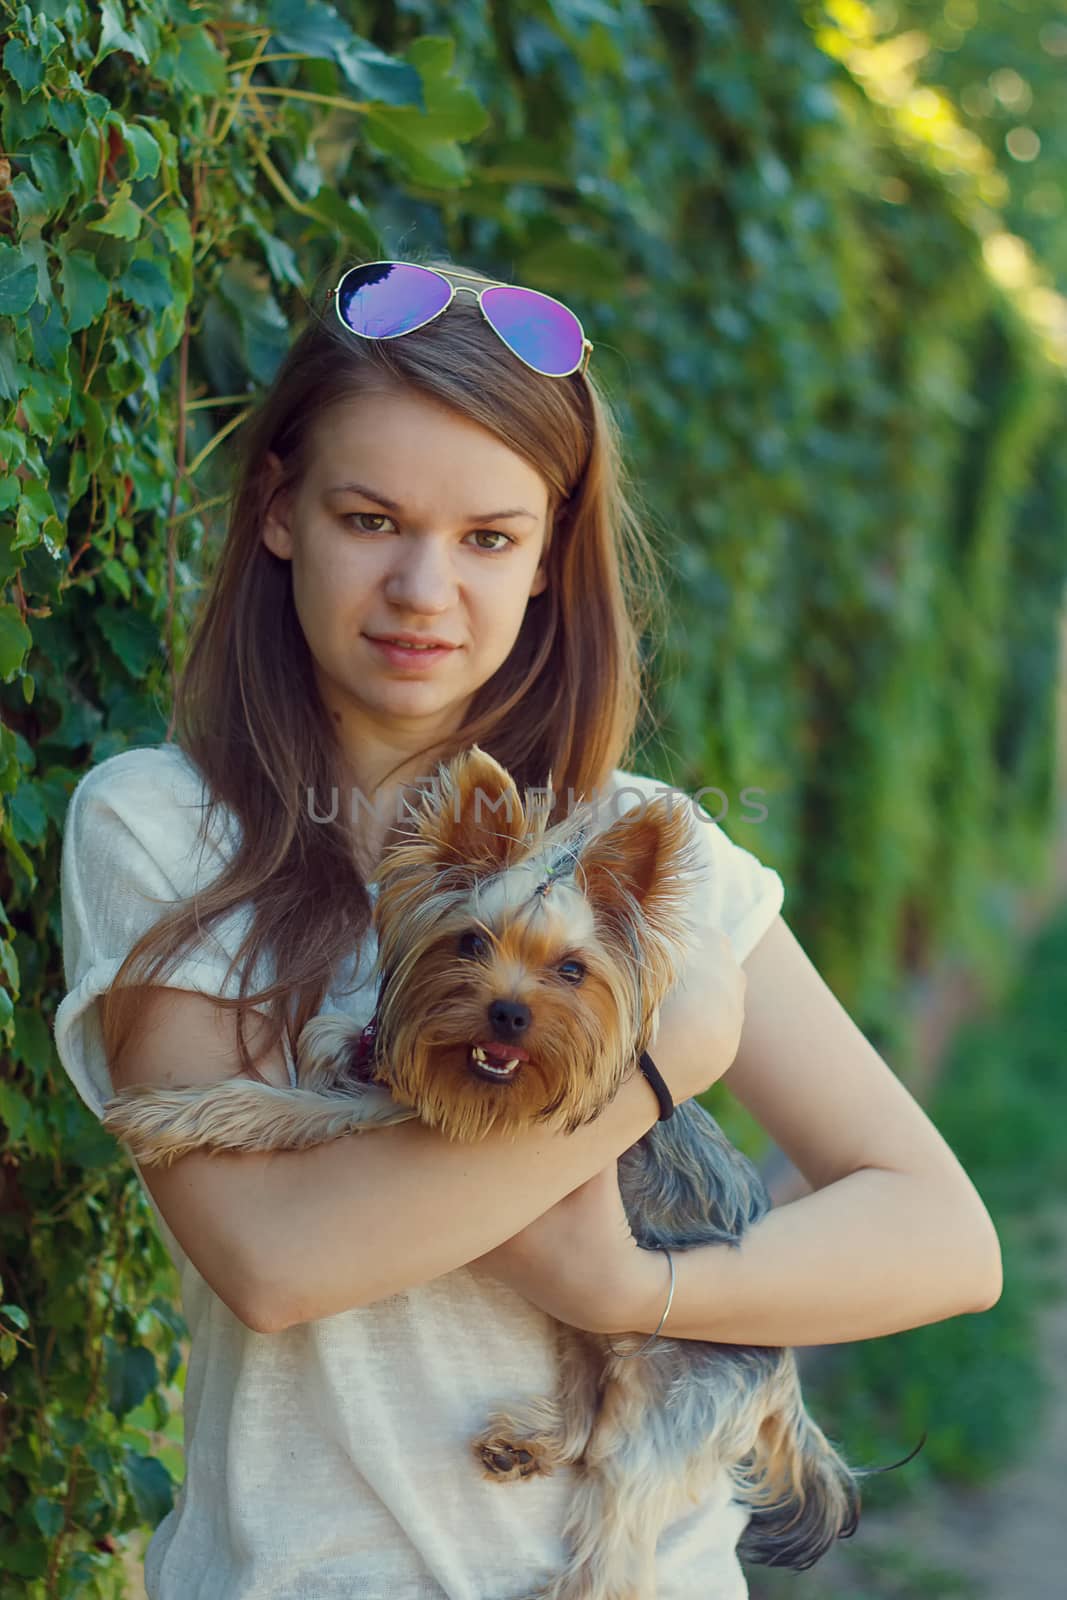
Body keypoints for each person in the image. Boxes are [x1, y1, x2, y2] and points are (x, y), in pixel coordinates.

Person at [53, 257, 1002, 1600]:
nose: (423, 589)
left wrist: (630, 1294)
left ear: (551, 554)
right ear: (277, 510)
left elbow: (945, 1242)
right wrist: (658, 1064)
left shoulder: (649, 847)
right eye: (371, 518)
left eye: (488, 537)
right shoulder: (163, 829)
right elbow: (276, 1261)